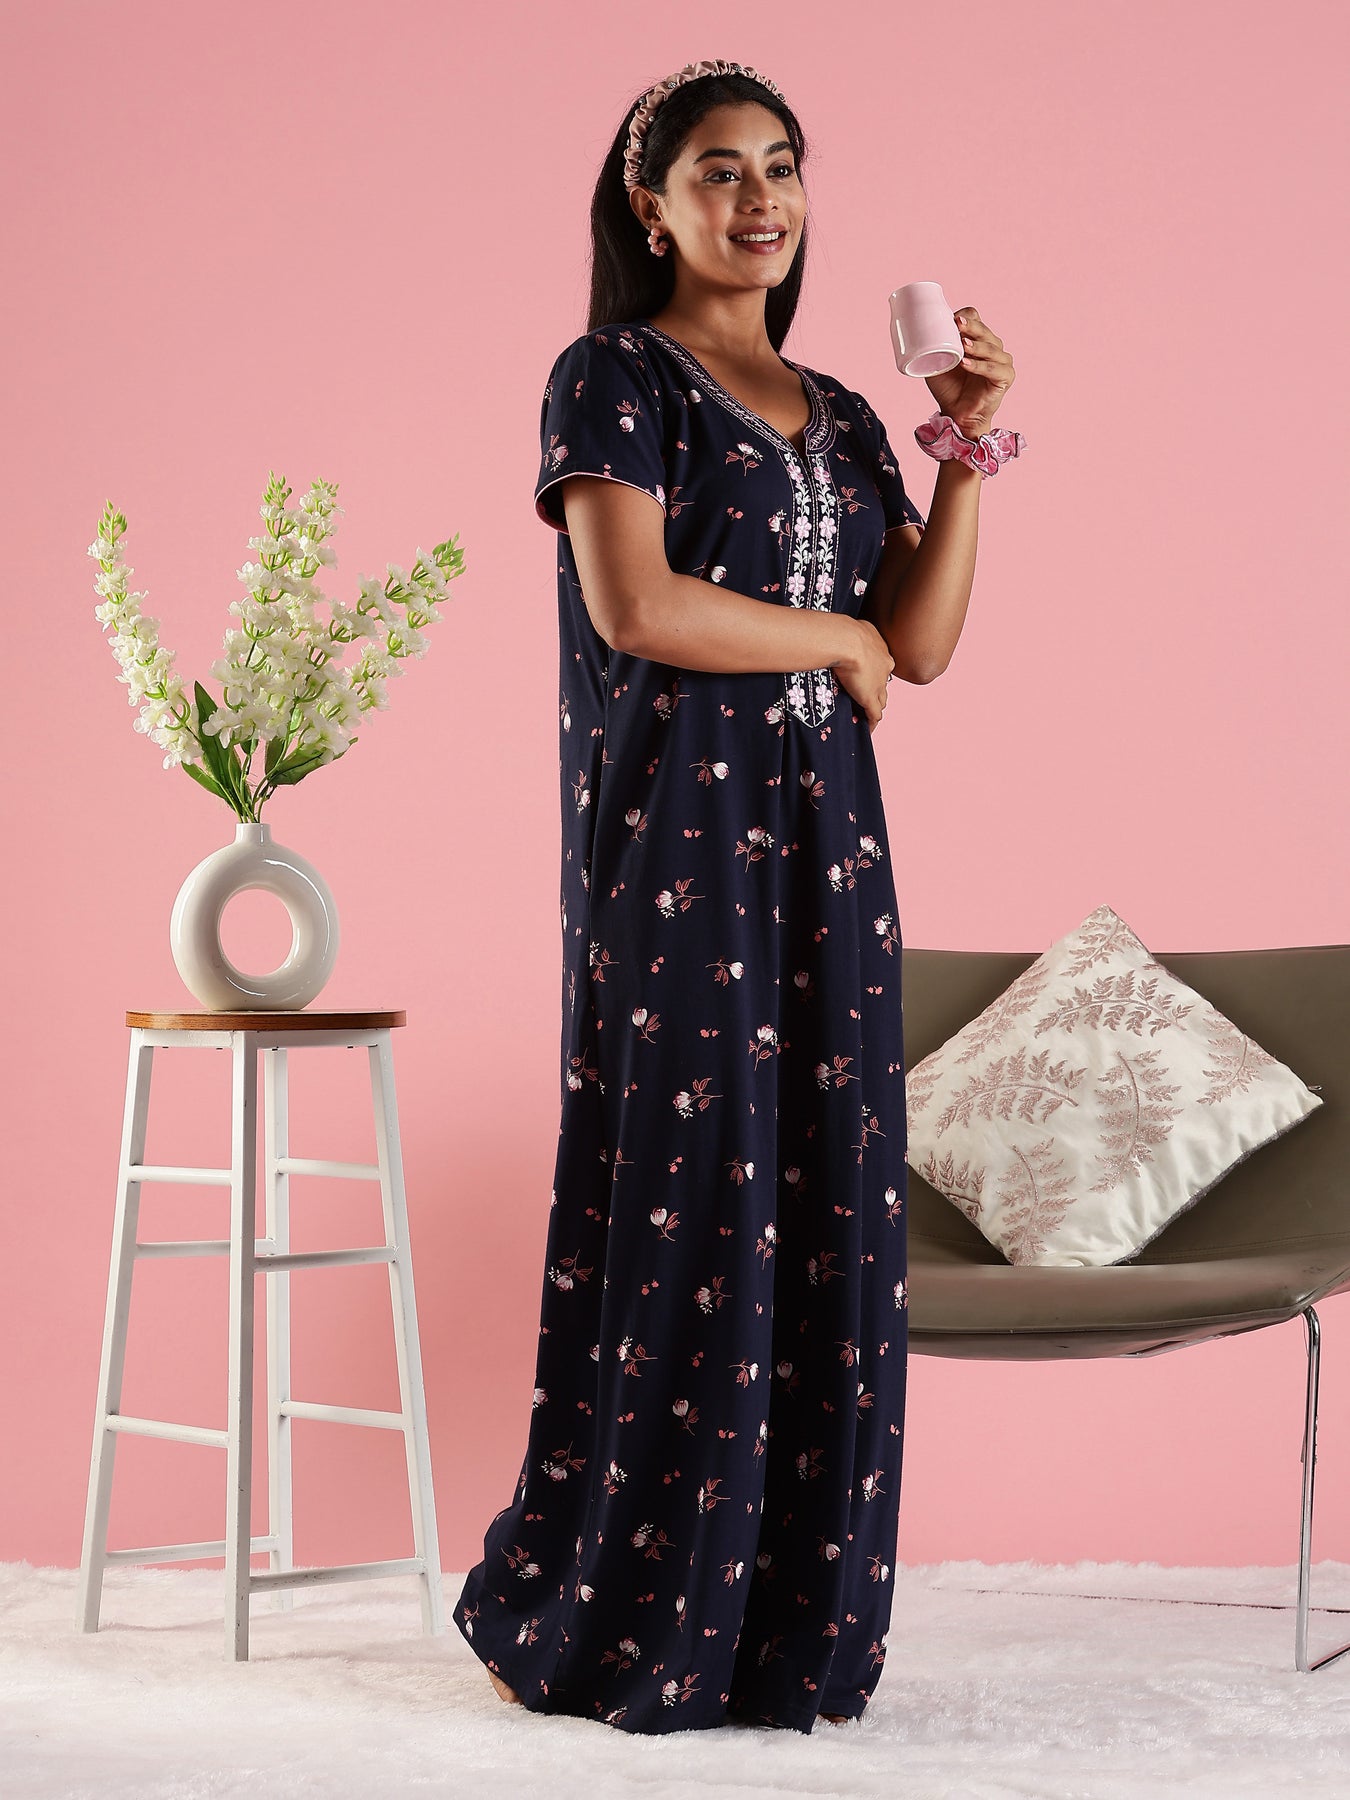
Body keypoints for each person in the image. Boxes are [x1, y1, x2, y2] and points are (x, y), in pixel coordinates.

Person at [453, 57, 1020, 1737]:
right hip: (677, 856)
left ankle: (788, 1633)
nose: (759, 196)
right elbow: (634, 606)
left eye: (781, 165)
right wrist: (829, 638)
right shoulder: (612, 377)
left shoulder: (839, 411)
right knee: (697, 1206)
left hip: (830, 862)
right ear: (651, 206)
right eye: (719, 169)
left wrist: (964, 449)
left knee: (829, 1205)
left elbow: (918, 643)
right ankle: (622, 1617)